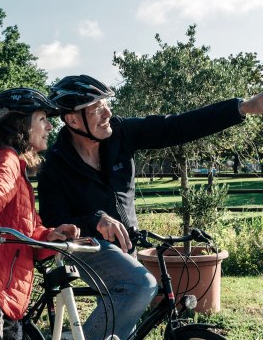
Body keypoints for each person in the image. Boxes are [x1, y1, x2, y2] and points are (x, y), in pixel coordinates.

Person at [37, 74, 263, 340]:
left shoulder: (121, 133)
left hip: (125, 246)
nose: (108, 112)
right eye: (97, 108)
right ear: (73, 119)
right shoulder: (55, 163)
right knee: (140, 284)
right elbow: (53, 219)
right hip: (86, 247)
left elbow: (177, 126)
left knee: (124, 329)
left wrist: (244, 106)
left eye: (107, 104)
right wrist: (95, 219)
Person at [0, 87, 80, 340]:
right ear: (20, 123)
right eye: (42, 119)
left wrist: (52, 235)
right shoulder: (5, 160)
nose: (50, 127)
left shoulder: (18, 168)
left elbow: (26, 230)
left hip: (6, 291)